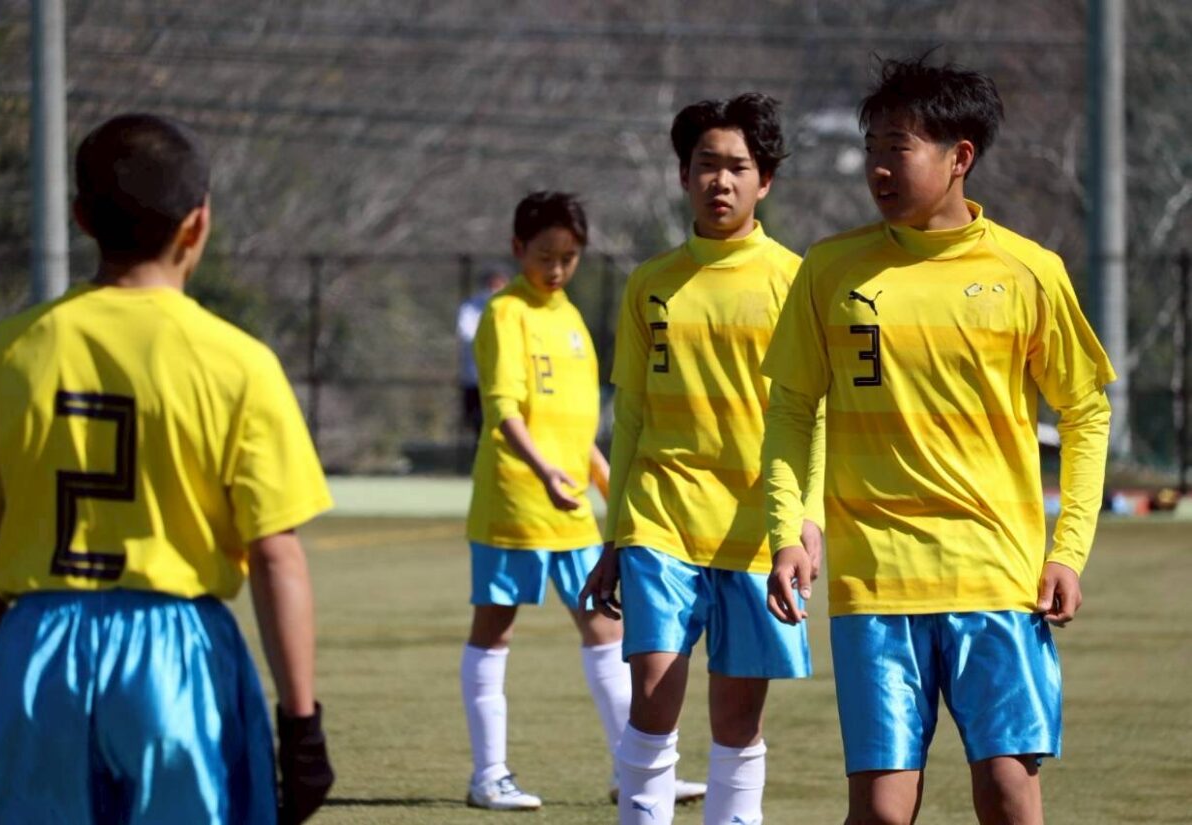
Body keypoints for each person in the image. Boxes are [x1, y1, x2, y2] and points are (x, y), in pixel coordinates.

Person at [761, 56, 1115, 825]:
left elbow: (1086, 412)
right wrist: (787, 529)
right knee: (882, 812)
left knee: (1009, 796)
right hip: (876, 583)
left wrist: (1068, 549)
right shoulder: (830, 269)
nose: (879, 167)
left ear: (961, 157)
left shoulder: (1029, 270)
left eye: (900, 146)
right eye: (872, 147)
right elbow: (790, 408)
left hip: (998, 579)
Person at [0, 113, 335, 824]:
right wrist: (301, 722)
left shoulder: (11, 349)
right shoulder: (237, 362)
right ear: (197, 223)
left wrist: (4, 653)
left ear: (81, 218)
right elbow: (275, 554)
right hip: (174, 648)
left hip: (39, 637)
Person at [582, 93, 826, 825]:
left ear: (765, 181)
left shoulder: (796, 280)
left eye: (738, 167)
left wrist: (806, 520)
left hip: (758, 531)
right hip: (660, 521)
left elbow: (815, 417)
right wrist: (615, 536)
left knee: (738, 722)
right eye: (706, 164)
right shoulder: (650, 283)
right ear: (684, 174)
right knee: (652, 705)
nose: (721, 180)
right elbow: (630, 418)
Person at [461, 191, 706, 811]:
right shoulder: (504, 314)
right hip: (514, 506)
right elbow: (503, 411)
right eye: (545, 255)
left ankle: (634, 771)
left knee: (606, 630)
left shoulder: (570, 318)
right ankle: (489, 775)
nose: (556, 268)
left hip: (570, 511)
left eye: (568, 257)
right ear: (518, 249)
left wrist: (606, 481)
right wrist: (544, 471)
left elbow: (577, 432)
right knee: (494, 631)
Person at [457, 265, 510, 435]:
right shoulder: (471, 308)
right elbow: (467, 334)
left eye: (499, 283)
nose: (495, 289)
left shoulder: (512, 307)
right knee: (478, 427)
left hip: (505, 380)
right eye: (492, 284)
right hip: (476, 379)